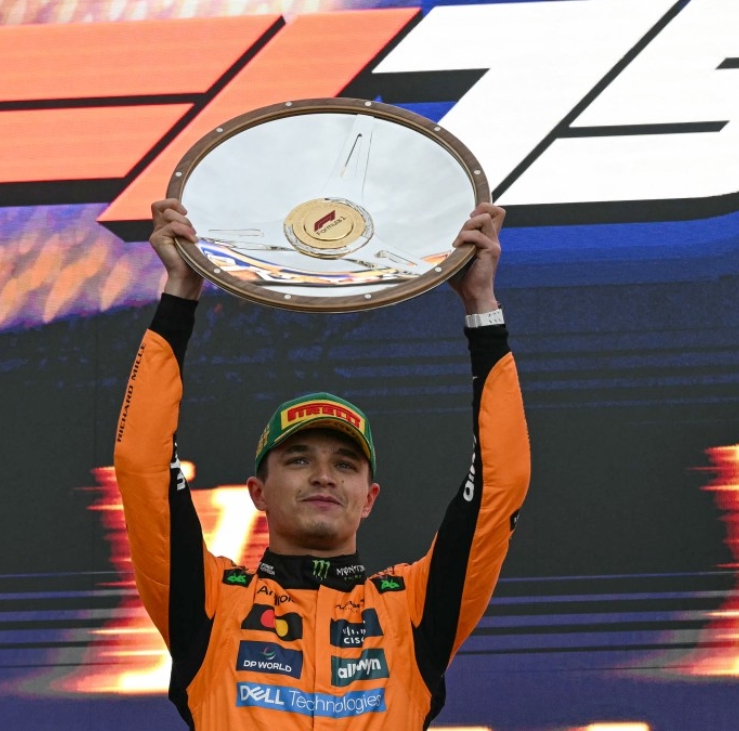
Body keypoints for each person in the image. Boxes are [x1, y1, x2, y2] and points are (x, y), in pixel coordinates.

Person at [113, 198, 531, 729]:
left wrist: (481, 307)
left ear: (369, 498)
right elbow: (140, 464)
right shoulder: (211, 605)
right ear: (257, 492)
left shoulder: (411, 611)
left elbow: (502, 484)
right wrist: (181, 294)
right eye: (298, 458)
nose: (324, 475)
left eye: (347, 464)